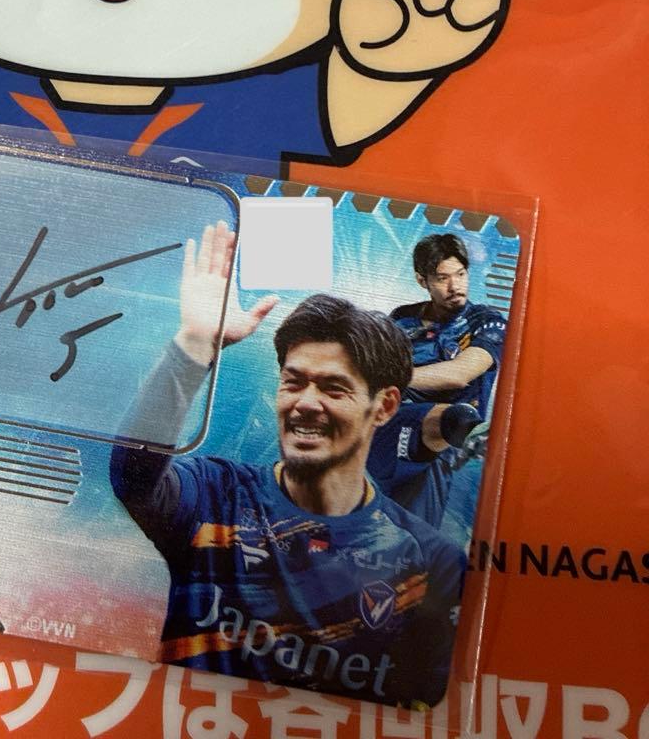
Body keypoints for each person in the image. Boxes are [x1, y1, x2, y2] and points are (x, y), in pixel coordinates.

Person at [110, 222, 465, 707]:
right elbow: (132, 477)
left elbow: (421, 704)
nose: (306, 403)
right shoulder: (216, 495)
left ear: (383, 407)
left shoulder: (432, 562)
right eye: (293, 382)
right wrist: (193, 346)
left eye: (333, 389)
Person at [367, 234, 506, 526]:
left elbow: (460, 374)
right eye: (443, 278)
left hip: (440, 441)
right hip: (389, 427)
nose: (455, 287)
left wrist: (391, 378)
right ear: (423, 281)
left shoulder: (486, 321)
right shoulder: (401, 320)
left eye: (461, 274)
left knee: (413, 533)